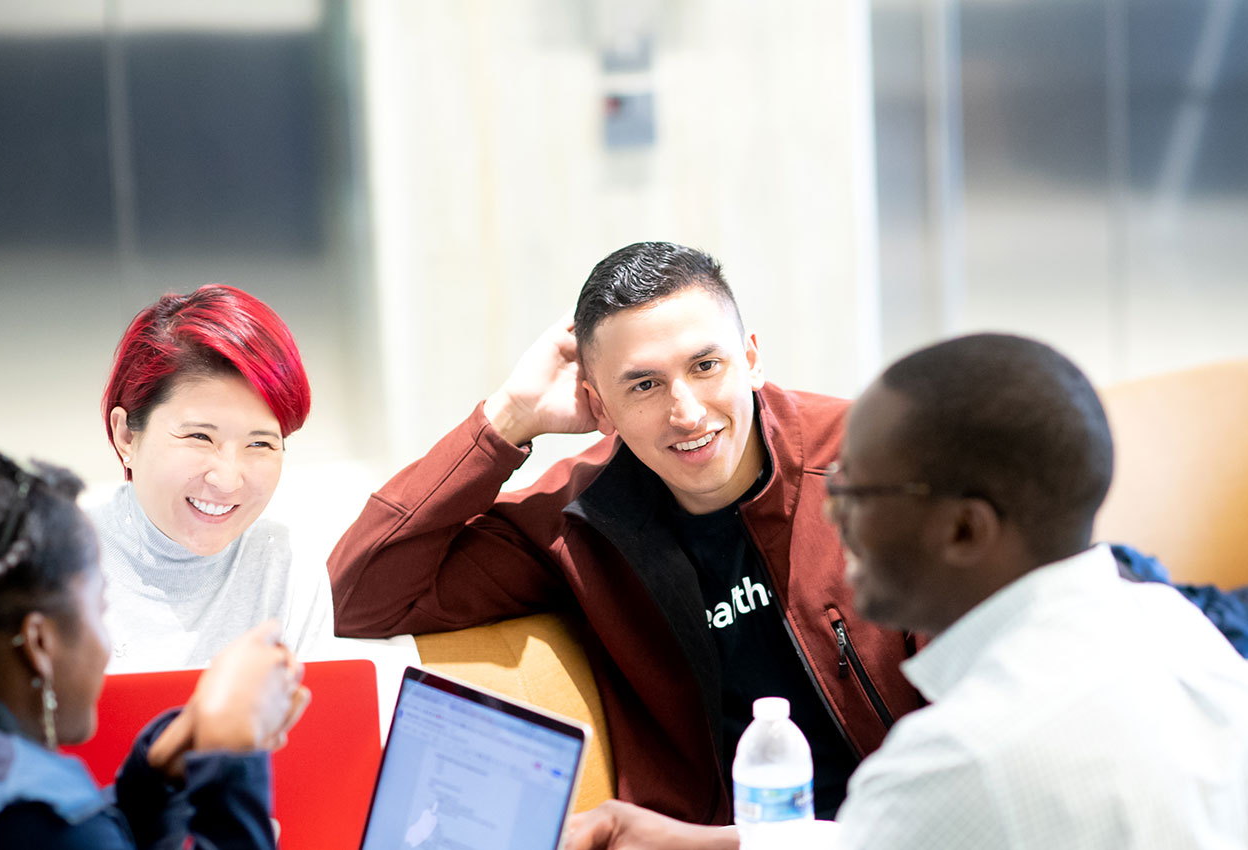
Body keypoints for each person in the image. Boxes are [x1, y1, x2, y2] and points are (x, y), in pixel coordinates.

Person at [564, 333, 1248, 849]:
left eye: (856, 490)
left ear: (963, 530)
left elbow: (931, 812)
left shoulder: (961, 759)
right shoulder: (1176, 628)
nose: (834, 513)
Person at [329, 242, 923, 823]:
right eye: (644, 385)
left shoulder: (874, 463)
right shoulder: (584, 517)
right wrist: (508, 416)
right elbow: (355, 599)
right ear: (600, 406)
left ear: (752, 358)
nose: (686, 412)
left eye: (705, 365)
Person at [0, 441, 310, 850]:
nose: (106, 643)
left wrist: (155, 784)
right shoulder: (38, 818)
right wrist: (232, 765)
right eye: (100, 608)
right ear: (38, 642)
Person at [96, 284, 334, 671]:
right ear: (126, 435)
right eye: (199, 437)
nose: (227, 480)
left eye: (260, 444)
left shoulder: (287, 568)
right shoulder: (53, 572)